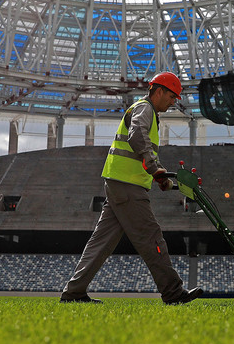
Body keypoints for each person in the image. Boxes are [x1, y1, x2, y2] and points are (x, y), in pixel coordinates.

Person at [60, 72, 203, 305]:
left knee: (101, 242)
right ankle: (173, 292)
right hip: (128, 186)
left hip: (119, 182)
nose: (173, 101)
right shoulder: (144, 109)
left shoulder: (145, 110)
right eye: (171, 96)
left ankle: (74, 292)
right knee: (151, 237)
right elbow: (137, 136)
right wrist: (152, 166)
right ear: (158, 91)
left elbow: (143, 151)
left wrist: (161, 177)